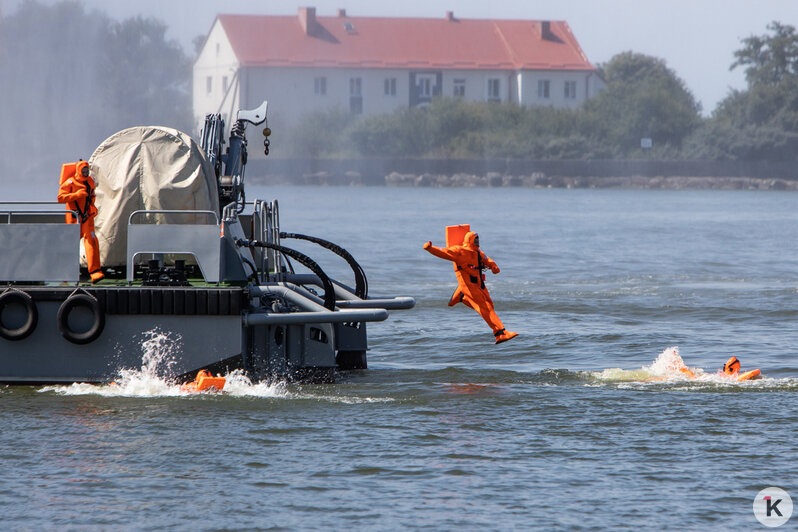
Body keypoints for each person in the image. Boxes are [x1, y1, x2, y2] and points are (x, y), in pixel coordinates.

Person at [423, 231, 518, 344]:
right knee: (485, 308)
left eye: (478, 239)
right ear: (469, 240)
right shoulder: (459, 251)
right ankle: (501, 333)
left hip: (479, 284)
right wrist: (430, 248)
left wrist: (493, 266)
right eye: (475, 240)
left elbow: (487, 259)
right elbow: (443, 252)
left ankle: (462, 297)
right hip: (468, 285)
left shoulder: (478, 252)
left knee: (490, 306)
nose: (477, 242)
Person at [57, 160, 104, 283]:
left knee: (91, 241)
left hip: (87, 218)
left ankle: (95, 272)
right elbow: (60, 198)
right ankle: (65, 273)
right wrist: (76, 195)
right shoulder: (70, 182)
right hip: (74, 218)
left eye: (87, 170)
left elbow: (91, 196)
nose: (85, 172)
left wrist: (92, 207)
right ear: (78, 170)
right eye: (83, 171)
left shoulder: (90, 182)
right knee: (70, 244)